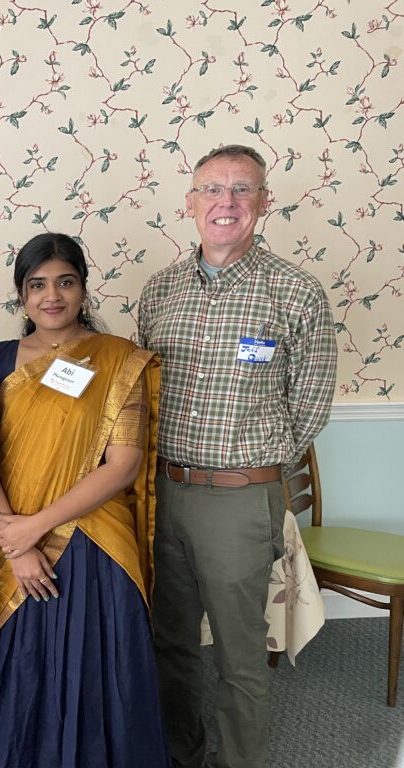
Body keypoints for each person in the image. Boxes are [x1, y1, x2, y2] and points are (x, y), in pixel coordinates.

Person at [138, 144, 336, 768]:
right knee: (170, 643)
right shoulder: (159, 291)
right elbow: (144, 393)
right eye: (213, 189)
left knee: (239, 654)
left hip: (240, 500)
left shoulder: (296, 293)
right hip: (165, 492)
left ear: (264, 202)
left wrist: (255, 468)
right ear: (190, 203)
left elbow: (311, 406)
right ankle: (182, 754)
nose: (226, 202)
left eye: (242, 189)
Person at [0, 232, 169, 768]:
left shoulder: (118, 359)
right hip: (15, 542)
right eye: (37, 285)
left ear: (83, 288)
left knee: (100, 664)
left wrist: (37, 528)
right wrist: (15, 539)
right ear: (21, 294)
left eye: (65, 282)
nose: (51, 296)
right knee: (25, 663)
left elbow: (123, 464)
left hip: (96, 540)